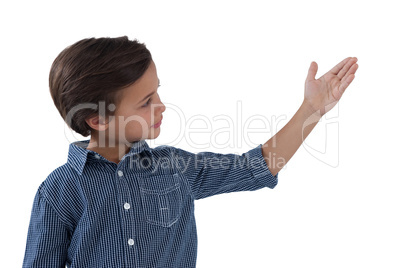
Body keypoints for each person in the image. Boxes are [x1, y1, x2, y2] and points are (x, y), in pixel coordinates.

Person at [22, 36, 358, 267]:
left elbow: (256, 167)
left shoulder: (173, 167)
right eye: (145, 102)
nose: (162, 106)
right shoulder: (58, 192)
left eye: (157, 93)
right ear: (99, 120)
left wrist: (312, 109)